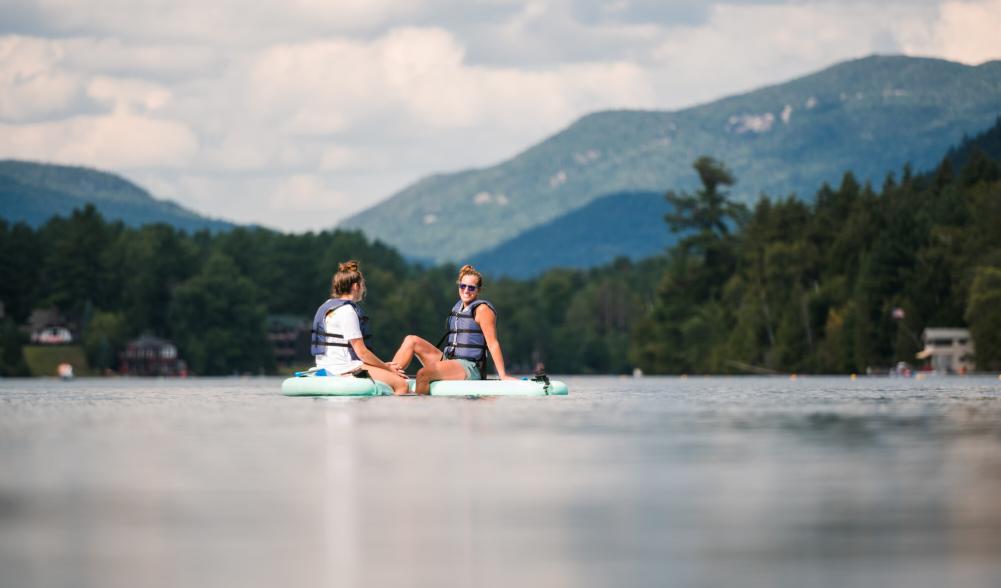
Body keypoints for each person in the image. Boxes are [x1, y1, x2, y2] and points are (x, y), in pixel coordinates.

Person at [392, 264, 515, 394]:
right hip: (449, 360)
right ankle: (390, 377)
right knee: (411, 340)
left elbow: (493, 343)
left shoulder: (482, 310)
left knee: (423, 374)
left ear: (478, 290)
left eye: (471, 287)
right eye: (463, 286)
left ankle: (422, 411)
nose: (466, 290)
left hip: (469, 366)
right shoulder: (458, 307)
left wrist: (503, 375)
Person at [311, 260, 408, 394]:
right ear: (356, 286)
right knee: (401, 384)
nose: (363, 289)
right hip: (344, 368)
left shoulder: (327, 306)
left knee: (390, 376)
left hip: (326, 366)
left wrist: (383, 367)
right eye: (363, 285)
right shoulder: (347, 311)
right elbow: (362, 353)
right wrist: (386, 368)